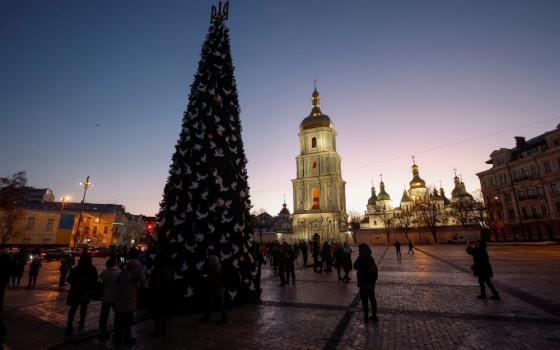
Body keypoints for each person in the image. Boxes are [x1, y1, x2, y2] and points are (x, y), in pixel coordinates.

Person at [114, 257, 145, 345]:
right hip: (130, 299)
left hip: (120, 299)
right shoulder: (137, 272)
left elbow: (117, 283)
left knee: (119, 320)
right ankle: (127, 338)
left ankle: (118, 337)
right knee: (128, 320)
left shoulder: (122, 272)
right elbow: (142, 281)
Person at [66, 253, 98, 334]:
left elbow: (68, 279)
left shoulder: (76, 268)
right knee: (83, 307)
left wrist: (76, 282)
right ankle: (81, 322)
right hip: (85, 291)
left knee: (73, 308)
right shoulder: (92, 269)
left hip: (75, 291)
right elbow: (96, 279)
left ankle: (70, 324)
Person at [354, 243, 379, 323]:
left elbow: (355, 266)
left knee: (364, 300)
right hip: (371, 282)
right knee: (372, 299)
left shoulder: (361, 257)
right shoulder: (370, 257)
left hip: (363, 282)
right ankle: (374, 315)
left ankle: (366, 316)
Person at [147, 255, 171, 338]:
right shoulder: (166, 271)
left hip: (157, 294)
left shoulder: (157, 271)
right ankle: (162, 330)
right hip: (163, 295)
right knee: (161, 313)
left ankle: (158, 330)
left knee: (158, 314)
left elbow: (152, 283)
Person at [199, 255, 227, 324]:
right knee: (214, 302)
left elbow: (210, 277)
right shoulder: (218, 266)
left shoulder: (215, 268)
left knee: (217, 302)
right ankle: (208, 316)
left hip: (216, 287)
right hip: (217, 287)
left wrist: (204, 276)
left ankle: (223, 318)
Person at [98, 257, 120, 340]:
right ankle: (117, 331)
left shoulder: (104, 272)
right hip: (115, 297)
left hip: (105, 296)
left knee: (104, 315)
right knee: (117, 314)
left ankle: (102, 331)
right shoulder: (118, 272)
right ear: (115, 264)